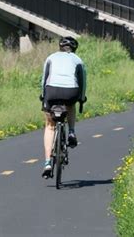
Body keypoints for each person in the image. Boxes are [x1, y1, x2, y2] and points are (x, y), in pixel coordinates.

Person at [40, 36, 87, 178]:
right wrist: (82, 98)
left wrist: (44, 97)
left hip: (51, 91)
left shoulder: (50, 57)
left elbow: (44, 79)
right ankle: (71, 132)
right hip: (70, 91)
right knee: (70, 105)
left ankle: (47, 162)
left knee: (50, 125)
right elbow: (82, 81)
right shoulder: (78, 60)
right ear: (74, 49)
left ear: (60, 47)